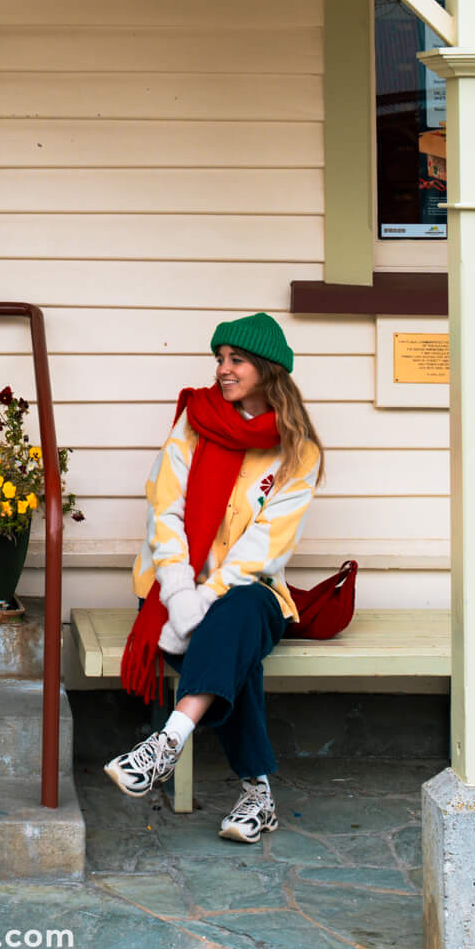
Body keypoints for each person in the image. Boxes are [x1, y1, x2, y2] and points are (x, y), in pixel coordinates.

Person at [103, 312, 323, 844]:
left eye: (236, 360)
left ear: (267, 371)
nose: (223, 369)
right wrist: (181, 596)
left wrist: (204, 601)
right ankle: (258, 794)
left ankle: (166, 742)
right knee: (233, 646)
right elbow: (166, 511)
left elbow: (264, 549)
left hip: (251, 588)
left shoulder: (298, 452)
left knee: (238, 612)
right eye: (219, 359)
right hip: (171, 588)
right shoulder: (194, 422)